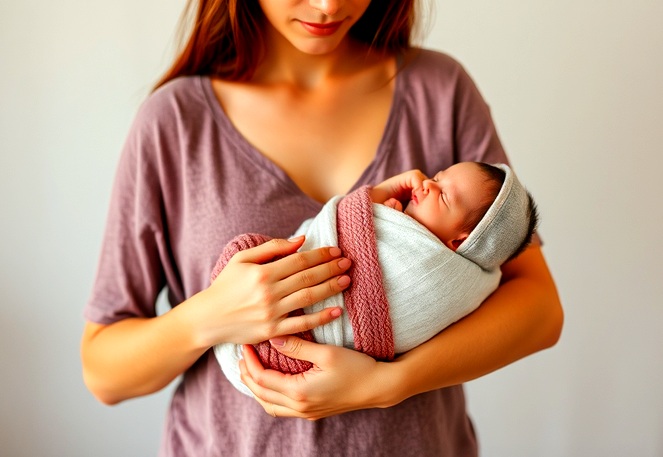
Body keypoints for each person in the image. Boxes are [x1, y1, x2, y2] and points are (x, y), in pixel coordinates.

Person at [81, 1, 563, 456]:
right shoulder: (174, 123)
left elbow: (539, 310)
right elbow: (104, 372)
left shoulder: (440, 91)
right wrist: (211, 315)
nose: (330, 5)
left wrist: (388, 384)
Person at [214, 162, 540, 397]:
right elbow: (349, 234)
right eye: (439, 176)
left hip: (296, 351)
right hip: (264, 323)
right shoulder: (402, 216)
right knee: (245, 261)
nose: (427, 183)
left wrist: (380, 216)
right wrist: (381, 214)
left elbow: (543, 317)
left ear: (457, 243)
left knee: (242, 251)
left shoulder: (449, 279)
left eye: (442, 196)